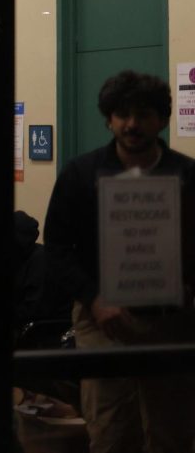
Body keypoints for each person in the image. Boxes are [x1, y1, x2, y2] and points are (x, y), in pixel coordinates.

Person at [44, 70, 195, 453]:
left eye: (144, 114)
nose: (132, 124)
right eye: (122, 114)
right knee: (111, 433)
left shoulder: (188, 175)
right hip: (100, 319)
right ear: (108, 118)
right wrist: (94, 299)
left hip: (171, 319)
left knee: (172, 432)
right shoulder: (79, 175)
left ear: (162, 119)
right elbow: (58, 250)